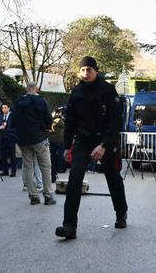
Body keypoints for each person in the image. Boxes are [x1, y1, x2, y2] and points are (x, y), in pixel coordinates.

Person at [55, 56, 128, 240]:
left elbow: (116, 120)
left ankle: (121, 212)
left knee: (113, 177)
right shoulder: (76, 92)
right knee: (74, 178)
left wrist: (104, 145)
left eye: (89, 69)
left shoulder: (108, 90)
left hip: (105, 140)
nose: (86, 73)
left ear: (96, 70)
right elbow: (70, 121)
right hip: (83, 140)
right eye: (83, 70)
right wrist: (67, 146)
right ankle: (69, 226)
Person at [11, 83, 55, 205]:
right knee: (45, 167)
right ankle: (48, 196)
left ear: (26, 89)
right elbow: (48, 119)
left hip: (23, 140)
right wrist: (46, 128)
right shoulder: (41, 101)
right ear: (36, 89)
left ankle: (33, 196)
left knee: (27, 167)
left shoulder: (18, 102)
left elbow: (13, 121)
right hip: (39, 138)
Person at [0, 103, 16, 177]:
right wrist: (0, 127)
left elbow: (15, 126)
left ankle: (13, 171)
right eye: (2, 108)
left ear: (8, 108)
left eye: (5, 108)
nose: (3, 109)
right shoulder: (1, 116)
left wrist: (10, 131)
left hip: (10, 137)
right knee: (3, 154)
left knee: (12, 154)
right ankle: (5, 170)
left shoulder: (12, 116)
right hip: (2, 137)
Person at [49, 107, 66, 183]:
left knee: (52, 155)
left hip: (52, 139)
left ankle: (53, 169)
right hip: (59, 140)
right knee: (60, 155)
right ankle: (60, 168)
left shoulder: (51, 119)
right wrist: (61, 118)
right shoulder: (59, 120)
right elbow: (63, 125)